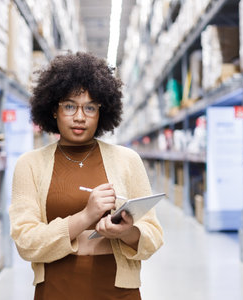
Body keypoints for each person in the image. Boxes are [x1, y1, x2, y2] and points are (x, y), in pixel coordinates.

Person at [9, 51, 164, 299]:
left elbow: (153, 236)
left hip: (118, 291)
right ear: (53, 110)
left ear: (102, 112)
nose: (80, 117)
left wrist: (125, 232)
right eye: (69, 106)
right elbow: (26, 242)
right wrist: (86, 216)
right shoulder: (30, 165)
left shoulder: (127, 160)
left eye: (90, 107)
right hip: (57, 288)